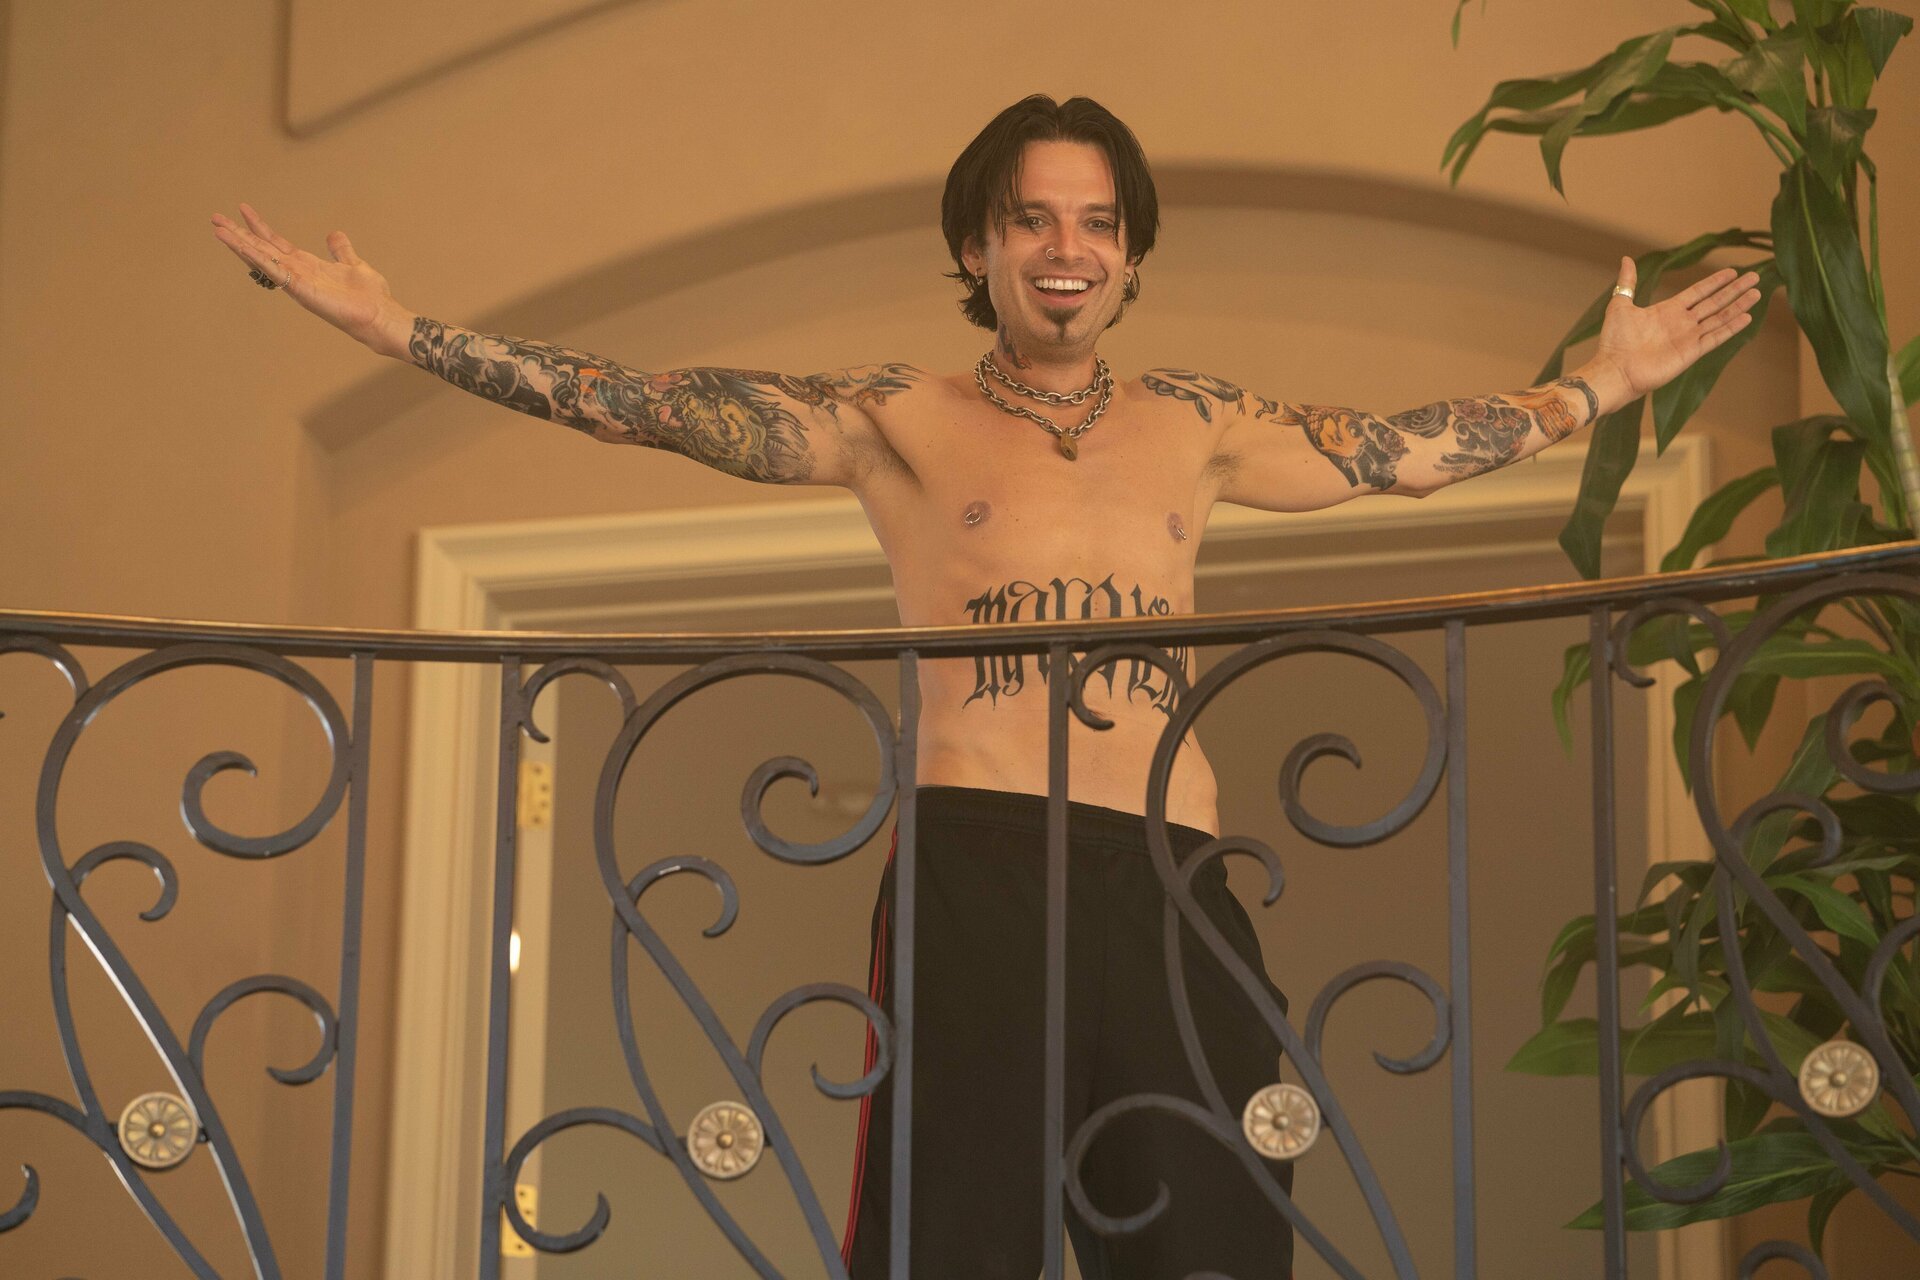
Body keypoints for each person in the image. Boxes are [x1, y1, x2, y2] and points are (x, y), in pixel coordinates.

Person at [211, 94, 1759, 1279]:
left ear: (1130, 253)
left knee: (1218, 1222)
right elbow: (645, 404)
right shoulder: (896, 417)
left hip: (1171, 876)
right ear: (979, 246)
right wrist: (397, 330)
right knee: (951, 1235)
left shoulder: (1202, 422)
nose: (1065, 248)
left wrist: (1601, 383)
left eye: (1095, 223)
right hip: (980, 859)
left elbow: (1398, 455)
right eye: (1030, 221)